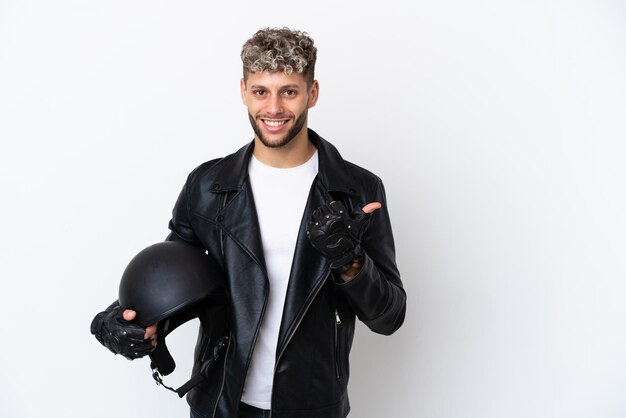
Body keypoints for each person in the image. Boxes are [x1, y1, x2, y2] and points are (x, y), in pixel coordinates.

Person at [91, 27, 406, 418]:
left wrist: (349, 261)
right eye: (261, 91)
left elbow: (389, 317)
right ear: (243, 91)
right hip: (221, 402)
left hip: (313, 406)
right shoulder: (208, 186)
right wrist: (125, 319)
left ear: (313, 93)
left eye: (289, 91)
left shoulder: (357, 190)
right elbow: (175, 278)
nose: (273, 108)